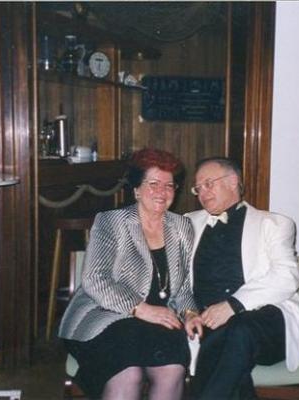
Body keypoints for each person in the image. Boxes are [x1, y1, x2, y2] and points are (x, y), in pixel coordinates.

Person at [58, 148, 198, 400]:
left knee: (172, 369)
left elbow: (184, 287)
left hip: (159, 320)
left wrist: (190, 313)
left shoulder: (182, 227)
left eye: (169, 185)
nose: (162, 191)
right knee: (128, 373)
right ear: (136, 189)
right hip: (105, 317)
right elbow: (95, 279)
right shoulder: (112, 222)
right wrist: (140, 308)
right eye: (153, 184)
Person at [183, 157, 299, 400]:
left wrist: (233, 305)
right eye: (198, 188)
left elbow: (287, 277)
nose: (202, 193)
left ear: (233, 181)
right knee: (230, 346)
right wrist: (188, 311)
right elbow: (177, 280)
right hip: (206, 322)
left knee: (238, 330)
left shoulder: (274, 223)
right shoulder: (188, 223)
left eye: (208, 184)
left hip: (265, 320)